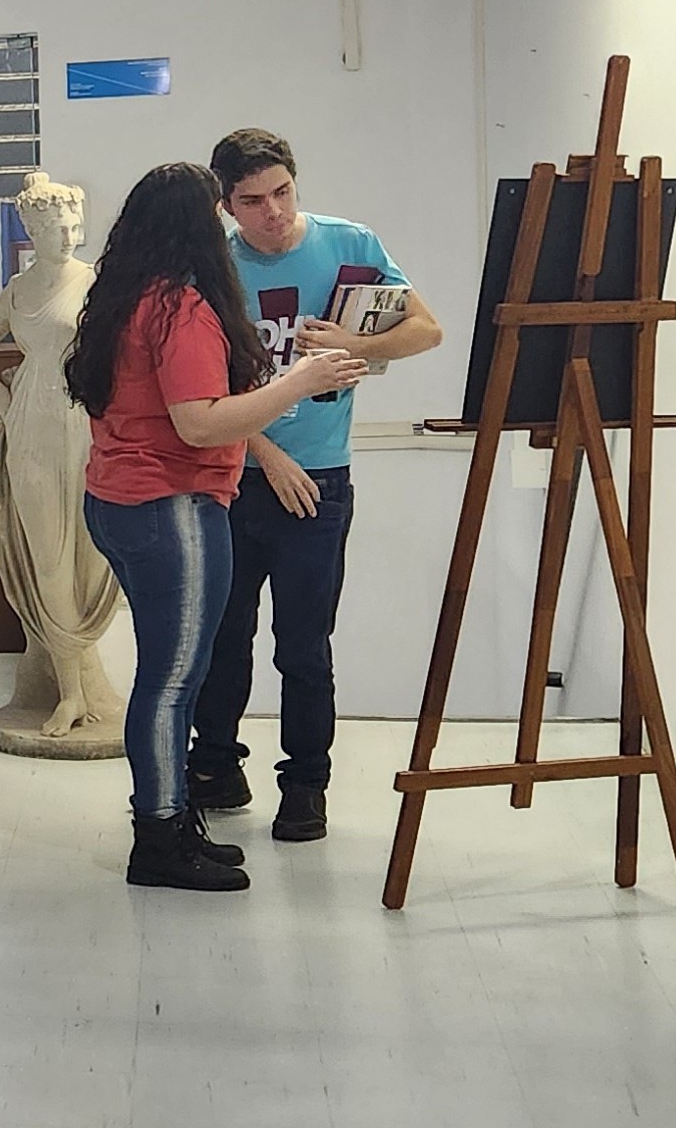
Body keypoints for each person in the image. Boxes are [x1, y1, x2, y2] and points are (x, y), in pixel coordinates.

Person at [66, 162, 368, 893]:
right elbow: (199, 424)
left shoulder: (125, 297)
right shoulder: (182, 307)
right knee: (172, 682)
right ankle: (159, 837)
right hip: (171, 504)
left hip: (119, 500)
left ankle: (172, 821)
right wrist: (300, 381)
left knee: (170, 675)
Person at [190, 124, 444, 842]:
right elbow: (199, 390)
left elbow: (427, 330)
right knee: (221, 637)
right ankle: (215, 766)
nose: (273, 211)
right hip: (233, 475)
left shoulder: (349, 243)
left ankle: (305, 785)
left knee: (304, 645)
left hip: (322, 476)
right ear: (226, 206)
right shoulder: (213, 266)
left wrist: (355, 345)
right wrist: (265, 452)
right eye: (252, 201)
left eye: (283, 192)